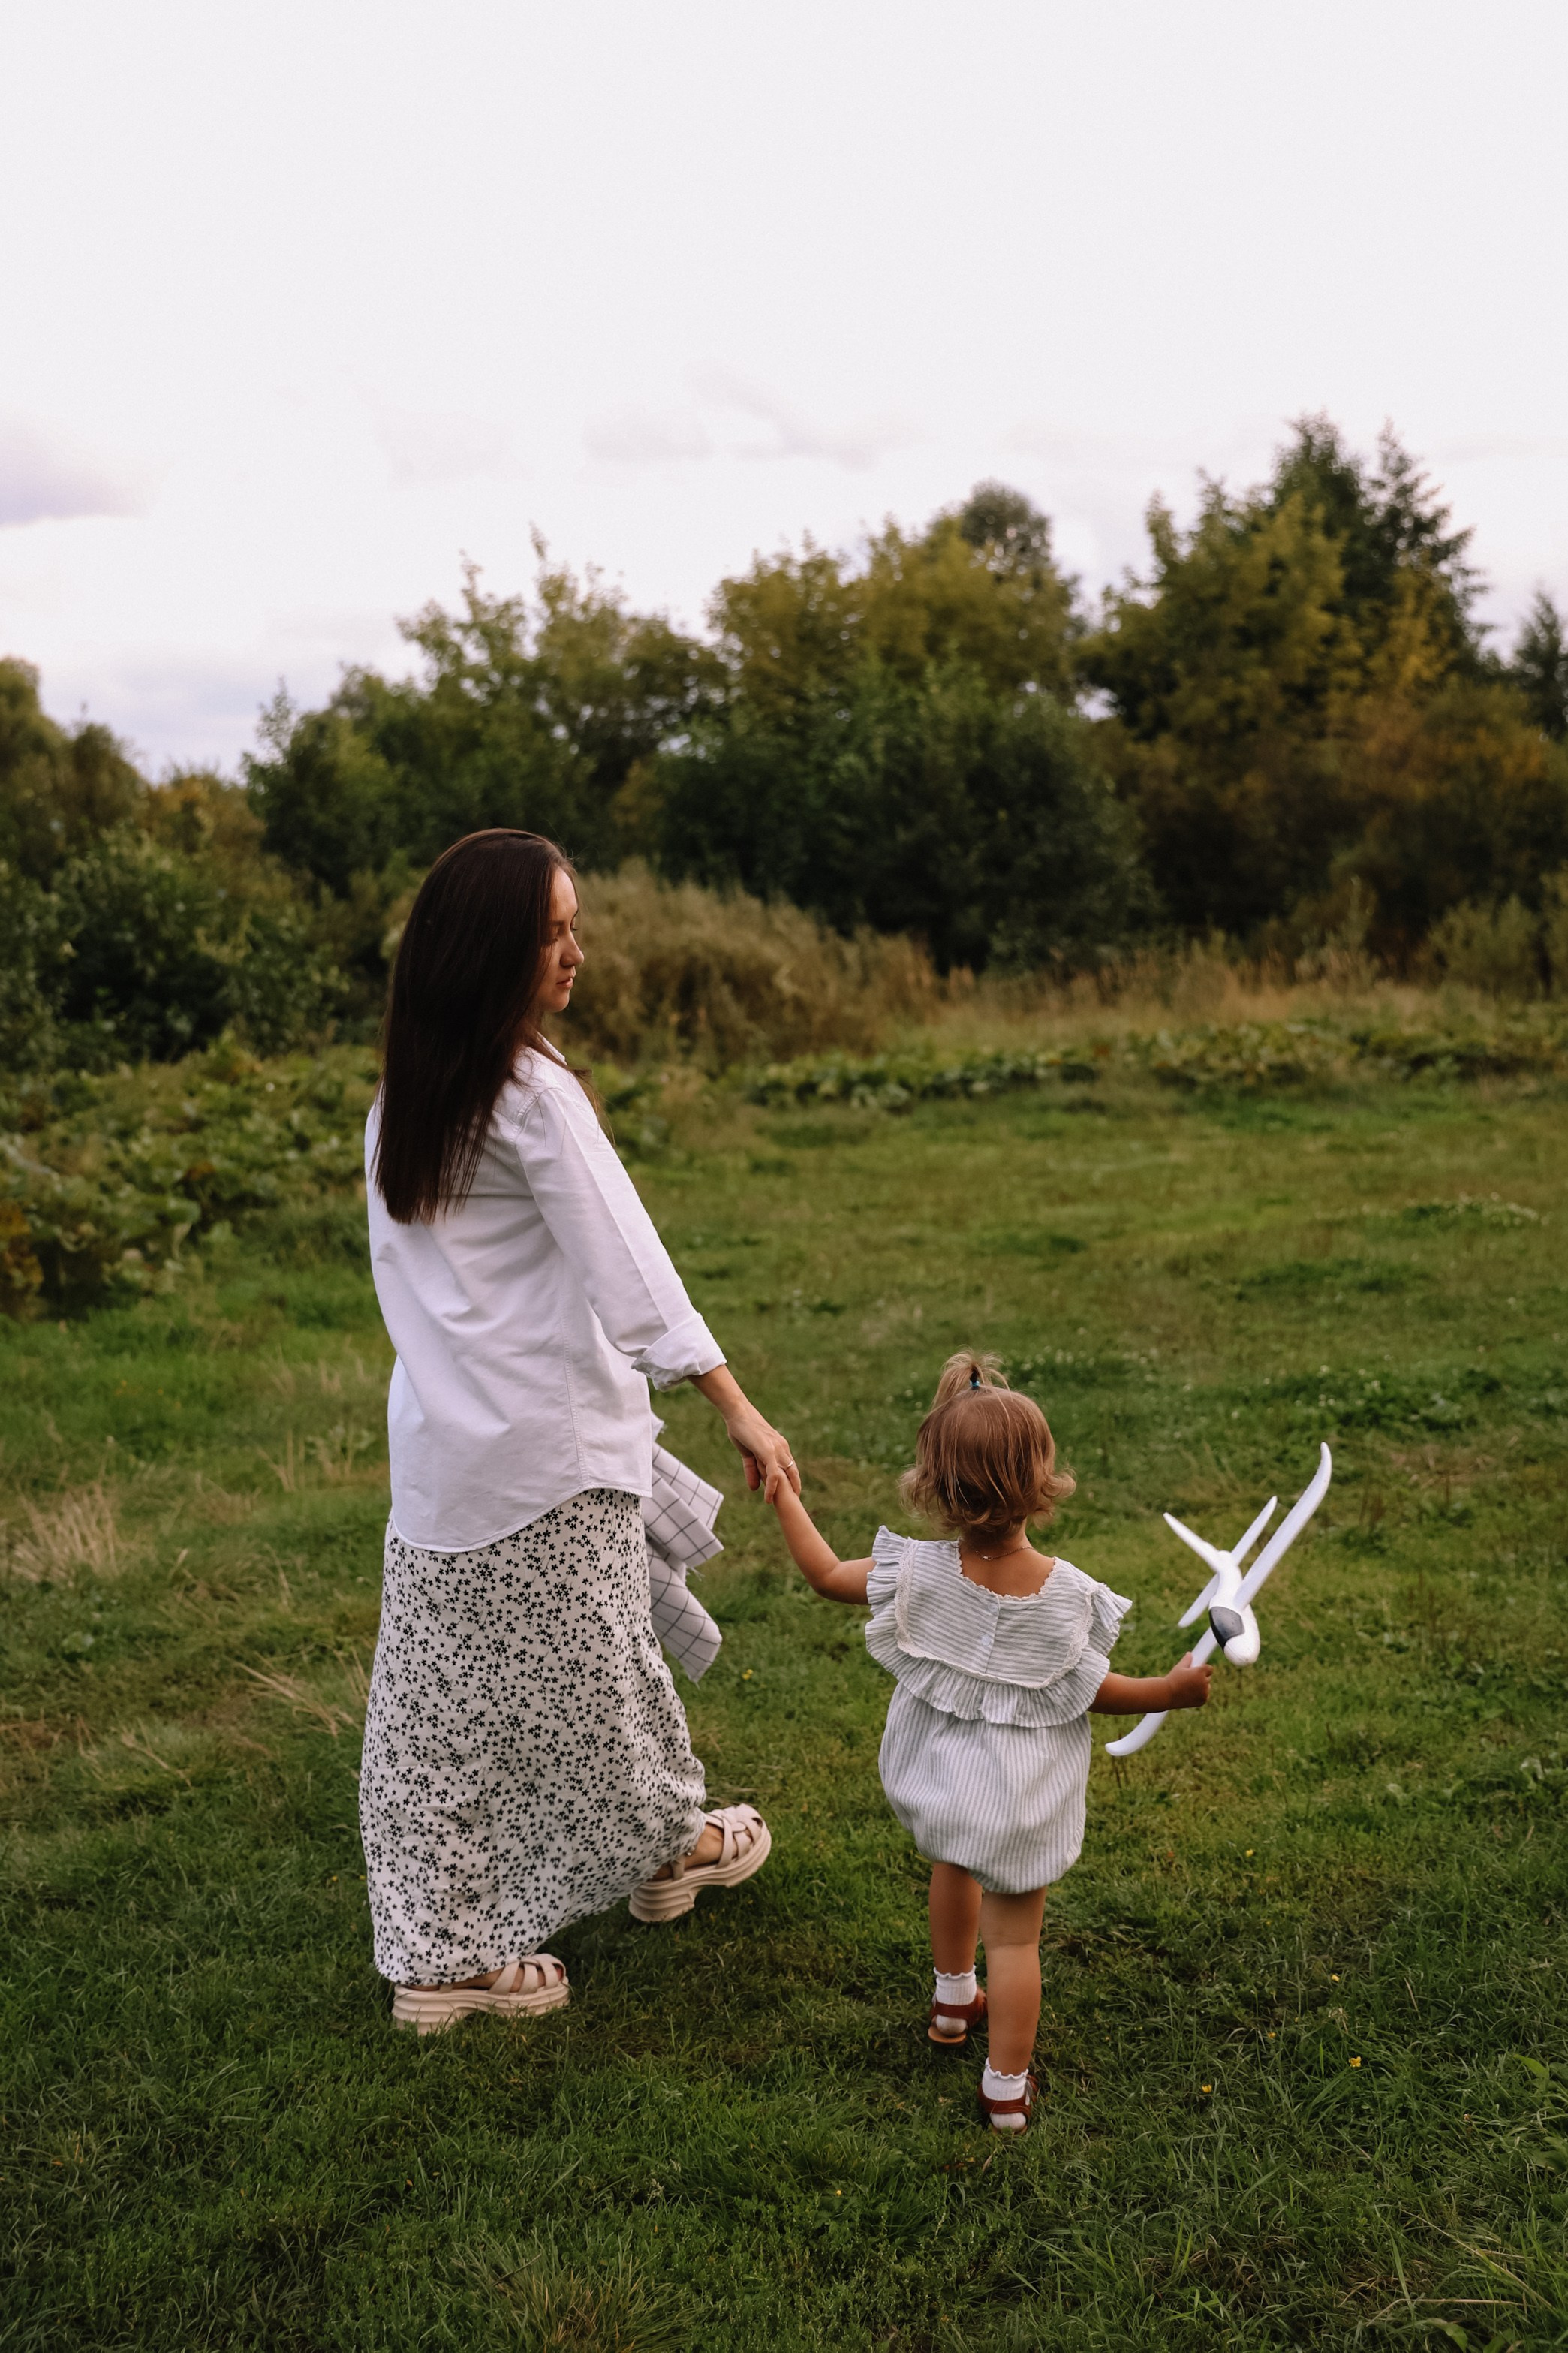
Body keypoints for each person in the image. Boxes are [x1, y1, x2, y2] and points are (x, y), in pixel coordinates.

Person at [360, 828, 798, 2035]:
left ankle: (483, 1926)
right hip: (548, 1460)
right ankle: (649, 1857)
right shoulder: (533, 1095)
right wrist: (738, 1410)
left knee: (436, 1723)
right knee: (607, 1686)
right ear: (491, 949)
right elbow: (635, 1277)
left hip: (449, 1461)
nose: (576, 952)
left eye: (573, 926)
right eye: (551, 932)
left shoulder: (403, 1100)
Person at [766, 1352, 1211, 2132]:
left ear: (933, 1486)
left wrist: (784, 1496)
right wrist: (1165, 1692)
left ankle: (948, 2002)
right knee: (1015, 1940)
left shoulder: (920, 1573)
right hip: (1020, 1804)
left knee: (952, 1864)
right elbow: (1093, 1690)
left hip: (939, 1784)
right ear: (1042, 1477)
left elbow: (826, 1572)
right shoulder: (1066, 1594)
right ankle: (1005, 2086)